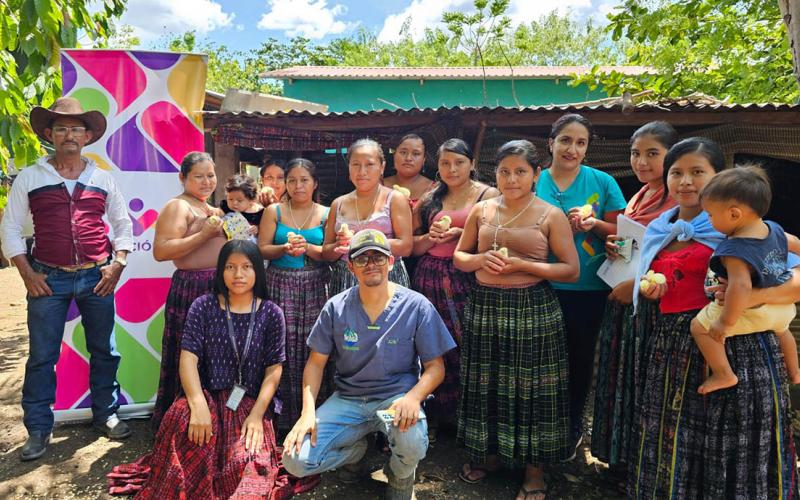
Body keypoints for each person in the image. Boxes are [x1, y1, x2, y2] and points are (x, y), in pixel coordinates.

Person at [630, 138, 799, 498]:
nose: (685, 181)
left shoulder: (743, 229)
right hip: (671, 344)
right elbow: (655, 276)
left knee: (732, 436)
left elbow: (794, 283)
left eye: (697, 172)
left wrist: (752, 296)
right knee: (674, 432)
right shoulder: (661, 228)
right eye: (676, 172)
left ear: (718, 176)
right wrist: (650, 289)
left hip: (736, 342)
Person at [108, 240, 302, 498]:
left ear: (258, 270)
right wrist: (197, 403)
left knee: (247, 461)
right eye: (230, 267)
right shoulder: (203, 306)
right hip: (205, 395)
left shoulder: (271, 312)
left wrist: (257, 415)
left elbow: (274, 369)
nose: (238, 274)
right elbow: (188, 359)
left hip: (249, 402)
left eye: (246, 267)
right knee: (185, 441)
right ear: (221, 270)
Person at [0, 97, 134, 460]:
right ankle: (39, 429)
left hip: (97, 277)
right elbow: (10, 228)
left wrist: (118, 264)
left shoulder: (102, 178)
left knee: (105, 349)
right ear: (49, 134)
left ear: (87, 135)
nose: (69, 134)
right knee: (42, 356)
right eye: (61, 128)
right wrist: (26, 272)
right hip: (47, 279)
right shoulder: (30, 176)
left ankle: (106, 415)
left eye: (76, 128)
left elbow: (123, 225)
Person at [282, 229, 455, 500]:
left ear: (391, 262)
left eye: (378, 257)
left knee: (412, 444)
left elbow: (436, 367)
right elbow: (315, 364)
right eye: (362, 259)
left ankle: (399, 474)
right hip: (348, 399)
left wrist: (413, 398)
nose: (370, 264)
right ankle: (356, 452)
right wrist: (307, 413)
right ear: (350, 267)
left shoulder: (416, 305)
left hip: (396, 399)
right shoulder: (336, 307)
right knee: (295, 460)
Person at [453, 140, 579, 500]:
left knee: (531, 387)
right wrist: (479, 261)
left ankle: (534, 471)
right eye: (505, 171)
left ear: (536, 174)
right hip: (485, 306)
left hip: (532, 310)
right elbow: (461, 255)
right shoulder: (483, 210)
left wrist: (523, 265)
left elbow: (570, 270)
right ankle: (489, 454)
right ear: (496, 173)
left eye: (521, 171)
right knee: (486, 379)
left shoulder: (550, 214)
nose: (512, 178)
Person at [535, 113, 627, 454]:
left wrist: (594, 225)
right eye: (565, 140)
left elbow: (623, 235)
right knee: (540, 359)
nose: (572, 149)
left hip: (589, 286)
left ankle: (572, 423)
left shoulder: (603, 183)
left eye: (580, 142)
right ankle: (540, 425)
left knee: (579, 357)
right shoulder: (534, 181)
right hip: (539, 283)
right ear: (551, 143)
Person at [590, 122, 678, 473]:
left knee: (645, 385)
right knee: (621, 380)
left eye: (652, 153)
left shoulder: (681, 202)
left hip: (654, 306)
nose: (641, 161)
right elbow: (635, 240)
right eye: (635, 153)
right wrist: (614, 243)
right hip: (622, 300)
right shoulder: (640, 196)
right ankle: (621, 460)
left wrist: (638, 284)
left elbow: (678, 255)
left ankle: (645, 467)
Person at [411, 138, 498, 441]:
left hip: (468, 278)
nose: (452, 169)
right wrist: (431, 238)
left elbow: (499, 238)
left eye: (459, 162)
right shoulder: (430, 198)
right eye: (445, 163)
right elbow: (414, 244)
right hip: (430, 277)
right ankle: (434, 415)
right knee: (431, 345)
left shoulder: (489, 196)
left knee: (468, 343)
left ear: (471, 163)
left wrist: (463, 233)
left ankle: (469, 417)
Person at [690, 166, 800, 393]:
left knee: (699, 327)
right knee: (784, 331)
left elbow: (741, 286)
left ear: (733, 214)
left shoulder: (734, 249)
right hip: (782, 308)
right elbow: (796, 243)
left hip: (752, 312)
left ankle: (724, 374)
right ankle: (795, 371)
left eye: (710, 214)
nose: (709, 220)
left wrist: (725, 323)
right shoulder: (774, 229)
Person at [151, 152, 226, 429]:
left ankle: (217, 418)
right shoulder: (178, 206)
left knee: (216, 354)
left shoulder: (214, 209)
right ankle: (183, 420)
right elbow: (162, 250)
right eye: (199, 176)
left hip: (220, 287)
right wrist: (204, 234)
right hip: (192, 288)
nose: (207, 181)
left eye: (211, 175)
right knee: (189, 355)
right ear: (183, 178)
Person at [258, 158, 332, 432]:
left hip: (315, 286)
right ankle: (279, 418)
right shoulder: (274, 211)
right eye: (292, 180)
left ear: (314, 183)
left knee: (315, 347)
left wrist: (309, 248)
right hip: (279, 285)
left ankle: (313, 414)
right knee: (282, 347)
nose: (298, 186)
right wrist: (283, 249)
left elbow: (331, 253)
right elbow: (263, 249)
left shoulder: (327, 213)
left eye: (304, 180)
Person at [322, 139, 413, 296]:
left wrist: (360, 239)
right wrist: (340, 244)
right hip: (346, 278)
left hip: (385, 276)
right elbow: (327, 253)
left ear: (382, 167)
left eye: (369, 164)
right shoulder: (339, 204)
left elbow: (406, 246)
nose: (362, 171)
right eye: (355, 164)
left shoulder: (394, 199)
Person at [383, 134, 434, 208]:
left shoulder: (434, 189)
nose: (408, 158)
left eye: (416, 154)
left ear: (424, 159)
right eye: (403, 152)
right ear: (394, 155)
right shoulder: (379, 186)